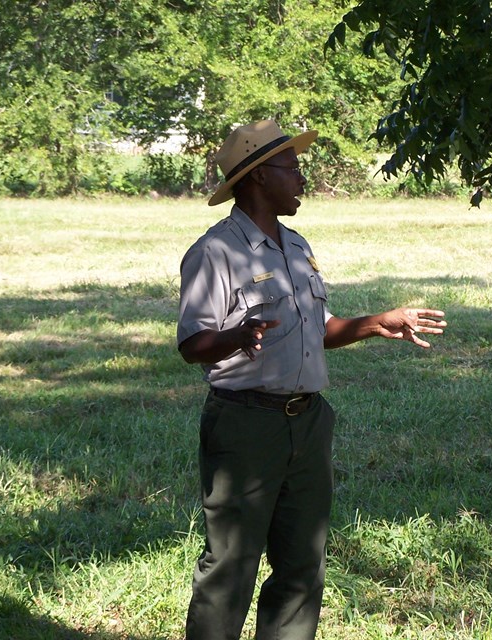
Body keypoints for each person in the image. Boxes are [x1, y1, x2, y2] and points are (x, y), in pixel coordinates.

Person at [177, 120, 446, 640]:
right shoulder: (216, 252)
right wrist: (237, 336)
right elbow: (192, 344)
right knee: (230, 568)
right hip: (246, 425)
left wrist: (377, 323)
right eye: (292, 168)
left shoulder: (296, 247)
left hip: (309, 421)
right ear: (256, 177)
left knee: (303, 565)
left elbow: (318, 330)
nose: (302, 179)